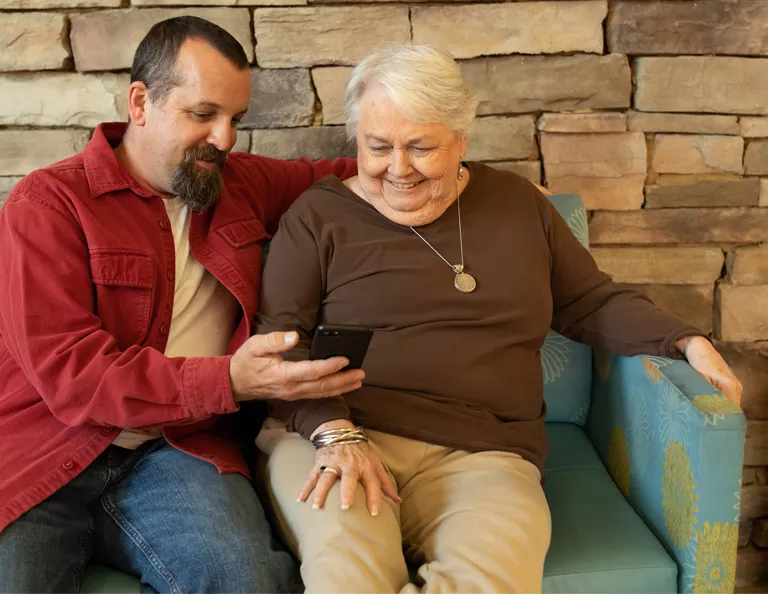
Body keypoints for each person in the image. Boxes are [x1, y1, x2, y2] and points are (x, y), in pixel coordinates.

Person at [253, 44, 743, 594]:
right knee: (348, 576)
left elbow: (590, 301)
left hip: (485, 452)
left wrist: (686, 340)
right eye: (378, 146)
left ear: (462, 138)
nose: (398, 168)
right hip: (337, 434)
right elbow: (280, 351)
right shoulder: (318, 217)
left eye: (421, 147)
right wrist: (335, 433)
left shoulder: (517, 204)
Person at [0, 16, 363, 593]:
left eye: (235, 120)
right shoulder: (47, 204)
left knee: (247, 582)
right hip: (45, 449)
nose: (225, 140)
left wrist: (475, 183)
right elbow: (72, 374)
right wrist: (228, 382)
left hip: (178, 452)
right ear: (140, 103)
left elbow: (355, 174)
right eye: (203, 115)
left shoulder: (237, 182)